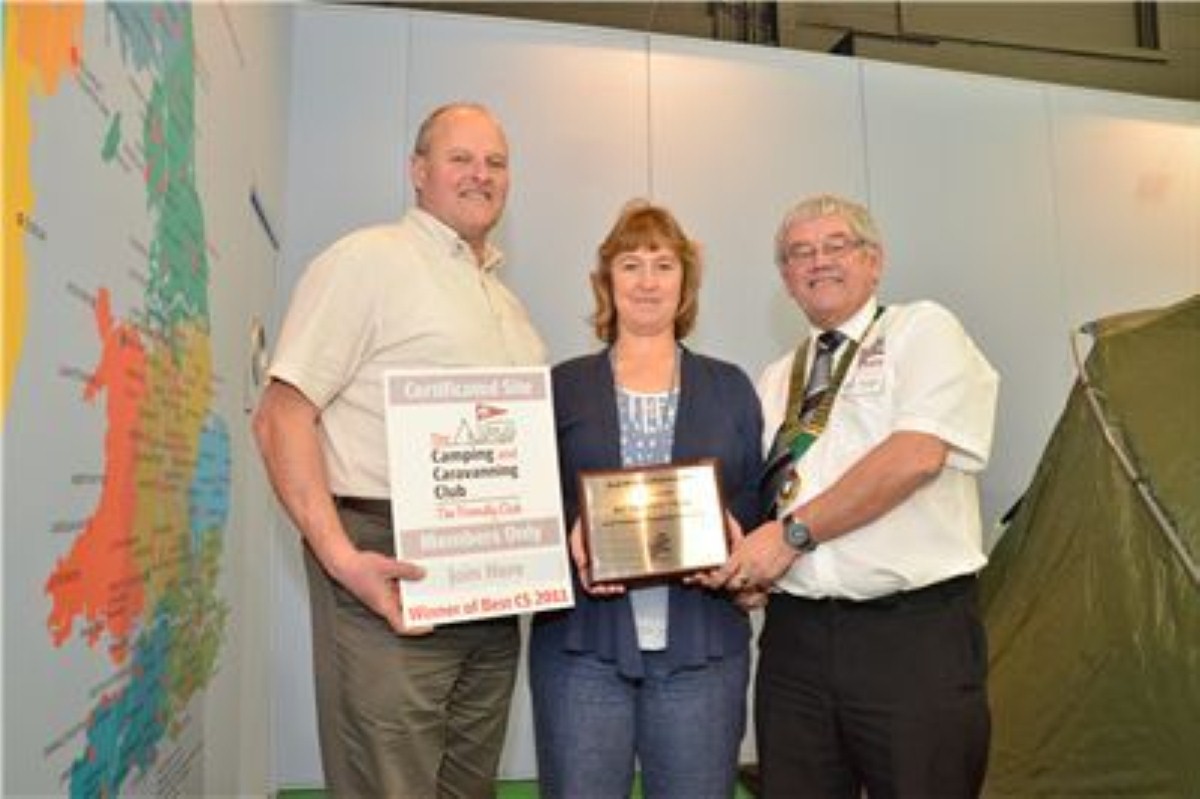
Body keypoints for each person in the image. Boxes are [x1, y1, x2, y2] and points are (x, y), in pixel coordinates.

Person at [253, 103, 546, 798]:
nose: (481, 174)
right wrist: (340, 556)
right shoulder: (367, 260)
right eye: (461, 158)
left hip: (493, 580)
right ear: (418, 171)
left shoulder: (506, 304)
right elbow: (281, 415)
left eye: (496, 162)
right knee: (388, 782)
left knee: (466, 785)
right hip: (386, 562)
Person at [709, 194, 999, 798]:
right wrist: (745, 567)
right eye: (799, 253)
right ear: (786, 279)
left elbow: (916, 455)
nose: (818, 262)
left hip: (912, 637)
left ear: (875, 261)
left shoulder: (922, 330)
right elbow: (767, 495)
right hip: (796, 642)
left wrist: (790, 536)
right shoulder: (773, 379)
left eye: (836, 245)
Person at [528, 201, 765, 799]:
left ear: (685, 281)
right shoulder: (560, 386)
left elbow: (758, 491)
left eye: (664, 264)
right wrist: (567, 534)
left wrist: (734, 534)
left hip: (702, 647)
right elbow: (526, 498)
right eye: (630, 264)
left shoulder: (730, 385)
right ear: (606, 281)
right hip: (582, 644)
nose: (648, 280)